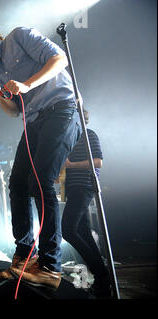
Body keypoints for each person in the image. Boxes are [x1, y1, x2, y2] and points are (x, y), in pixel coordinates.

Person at [0, 20, 82, 289]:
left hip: (61, 109)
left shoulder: (19, 36)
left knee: (41, 182)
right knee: (17, 184)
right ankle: (25, 256)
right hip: (35, 121)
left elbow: (59, 58)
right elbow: (14, 110)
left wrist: (28, 84)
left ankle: (51, 267)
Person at [61, 110, 111, 297]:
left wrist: (71, 165)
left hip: (85, 186)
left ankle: (101, 272)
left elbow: (98, 162)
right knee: (84, 233)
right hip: (74, 189)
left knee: (67, 229)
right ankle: (102, 280)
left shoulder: (89, 135)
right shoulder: (69, 138)